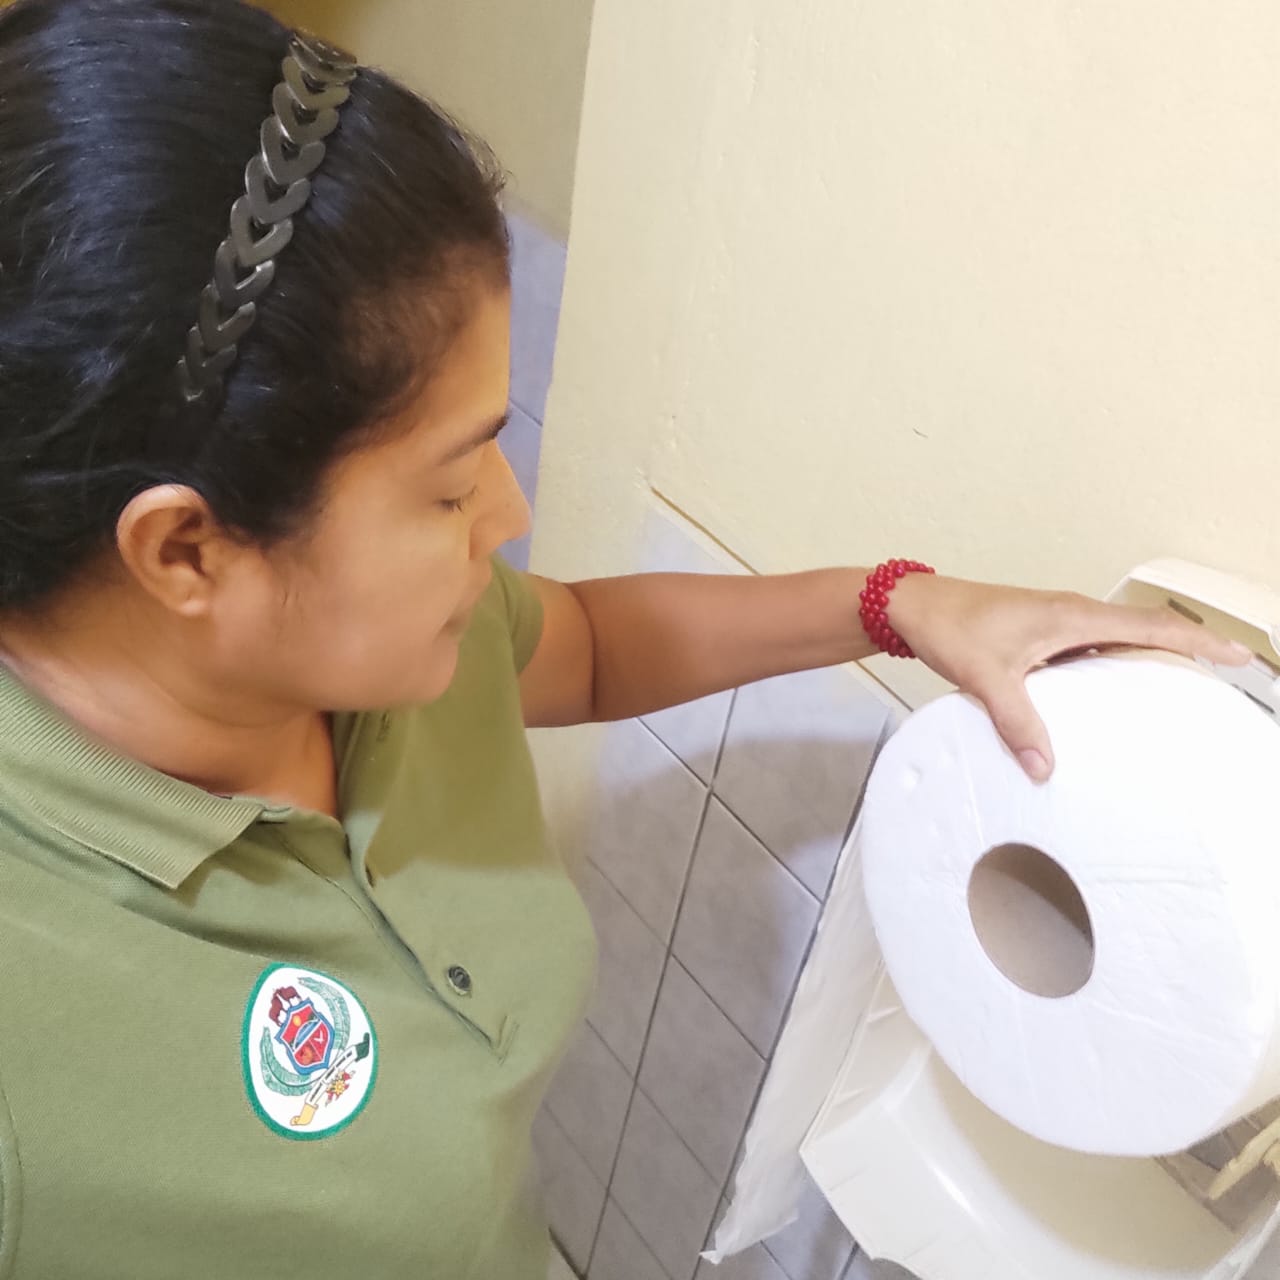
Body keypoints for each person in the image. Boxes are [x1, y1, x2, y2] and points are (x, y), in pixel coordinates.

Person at [0, 1, 1247, 1277]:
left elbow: (587, 645)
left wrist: (895, 602)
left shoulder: (370, 654)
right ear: (186, 551)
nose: (508, 514)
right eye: (450, 487)